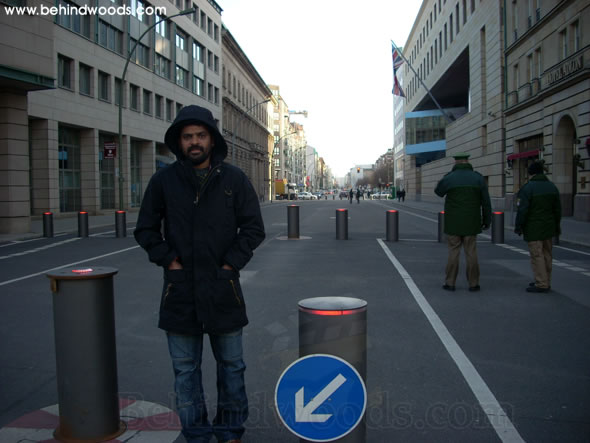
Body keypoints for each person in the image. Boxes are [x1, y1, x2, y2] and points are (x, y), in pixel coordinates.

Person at [134, 105, 265, 443]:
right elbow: (146, 229)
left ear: (212, 139)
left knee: (232, 369)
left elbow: (253, 228)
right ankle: (197, 435)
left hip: (224, 291)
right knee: (185, 373)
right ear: (179, 142)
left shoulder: (233, 179)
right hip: (179, 294)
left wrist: (229, 265)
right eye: (188, 136)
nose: (194, 142)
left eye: (200, 135)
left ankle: (230, 431)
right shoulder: (164, 181)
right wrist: (170, 261)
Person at [435, 153, 491, 292]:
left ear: (455, 163)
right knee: (471, 252)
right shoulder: (478, 178)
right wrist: (486, 220)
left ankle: (450, 282)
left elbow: (438, 191)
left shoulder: (450, 178)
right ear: (467, 161)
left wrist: (447, 177)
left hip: (453, 222)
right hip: (472, 222)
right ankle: (473, 283)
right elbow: (486, 202)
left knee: (453, 252)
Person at [514, 161, 561, 293]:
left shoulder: (528, 188)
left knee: (537, 255)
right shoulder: (552, 187)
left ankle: (541, 283)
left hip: (534, 226)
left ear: (530, 173)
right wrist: (557, 226)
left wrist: (519, 226)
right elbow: (558, 210)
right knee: (547, 254)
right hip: (549, 226)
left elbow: (522, 210)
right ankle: (546, 280)